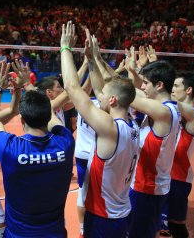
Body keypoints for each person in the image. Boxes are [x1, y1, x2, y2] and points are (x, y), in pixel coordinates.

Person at [60, 22, 139, 237]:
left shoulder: (110, 128)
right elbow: (96, 87)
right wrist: (93, 60)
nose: (98, 95)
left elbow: (71, 87)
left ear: (112, 100)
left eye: (102, 94)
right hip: (121, 210)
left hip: (104, 217)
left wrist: (65, 47)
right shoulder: (133, 125)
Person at [0, 61, 75, 237]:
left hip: (19, 234)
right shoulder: (65, 143)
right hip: (54, 232)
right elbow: (49, 110)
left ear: (22, 121)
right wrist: (28, 85)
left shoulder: (10, 148)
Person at [126, 56, 181, 237]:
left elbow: (126, 93)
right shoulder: (166, 107)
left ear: (159, 85)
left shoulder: (162, 111)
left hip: (147, 188)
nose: (143, 86)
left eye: (146, 82)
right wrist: (133, 72)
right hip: (150, 187)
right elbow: (136, 91)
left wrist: (96, 62)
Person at [164, 71, 194, 238]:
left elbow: (189, 104)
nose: (172, 89)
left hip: (178, 178)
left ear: (188, 90)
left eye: (176, 86)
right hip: (164, 174)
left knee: (176, 226)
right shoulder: (174, 112)